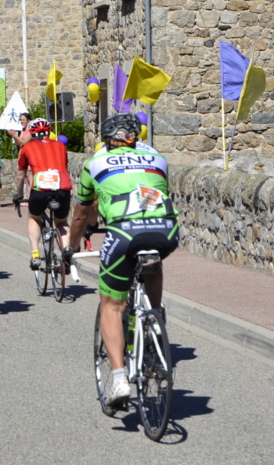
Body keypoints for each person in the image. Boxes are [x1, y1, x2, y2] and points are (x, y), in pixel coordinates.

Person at [69, 113, 179, 409]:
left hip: (123, 233)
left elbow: (82, 213)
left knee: (112, 305)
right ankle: (155, 320)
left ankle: (119, 379)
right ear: (137, 137)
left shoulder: (94, 163)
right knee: (152, 259)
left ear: (107, 139)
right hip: (166, 231)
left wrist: (71, 247)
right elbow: (151, 192)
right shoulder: (157, 159)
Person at [14, 118, 73, 271]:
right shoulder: (61, 146)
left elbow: (21, 175)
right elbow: (63, 166)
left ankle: (35, 254)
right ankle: (66, 251)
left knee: (34, 217)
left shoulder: (27, 148)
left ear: (32, 133)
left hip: (40, 188)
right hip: (62, 187)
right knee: (61, 222)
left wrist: (19, 195)